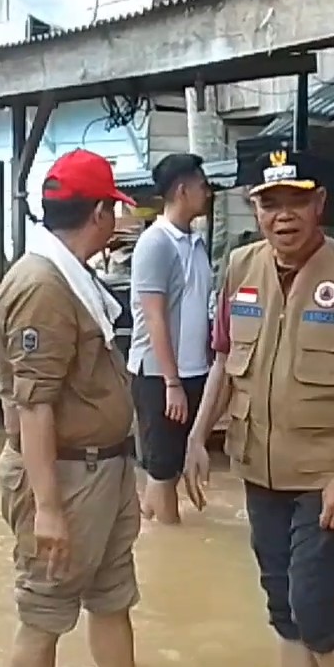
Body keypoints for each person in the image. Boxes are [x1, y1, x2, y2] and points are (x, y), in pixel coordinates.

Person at [183, 151, 334, 667]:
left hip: (326, 474)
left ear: (320, 202)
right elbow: (224, 359)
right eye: (269, 203)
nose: (283, 215)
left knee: (313, 601)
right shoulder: (239, 268)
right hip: (259, 467)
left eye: (296, 201)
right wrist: (198, 437)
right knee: (281, 600)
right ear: (254, 209)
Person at [0, 149, 142, 667]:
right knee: (45, 611)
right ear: (100, 213)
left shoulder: (69, 277)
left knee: (112, 594)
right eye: (115, 211)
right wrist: (48, 507)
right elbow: (34, 404)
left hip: (104, 468)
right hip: (67, 477)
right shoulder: (44, 287)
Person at [128, 153, 214, 526]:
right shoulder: (155, 243)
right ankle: (169, 544)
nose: (207, 193)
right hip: (159, 375)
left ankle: (147, 519)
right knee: (163, 469)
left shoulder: (195, 242)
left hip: (193, 370)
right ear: (182, 189)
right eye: (202, 186)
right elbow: (153, 317)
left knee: (171, 465)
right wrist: (171, 382)